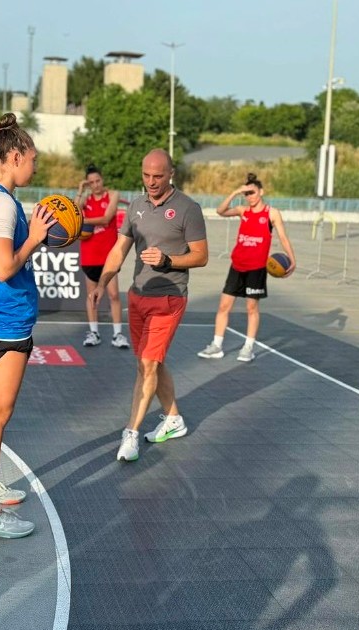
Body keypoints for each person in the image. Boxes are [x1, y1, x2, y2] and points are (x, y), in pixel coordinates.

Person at [0, 112, 56, 538]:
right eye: (33, 159)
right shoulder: (1, 205)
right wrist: (34, 239)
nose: (35, 167)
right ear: (16, 156)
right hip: (4, 321)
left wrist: (34, 237)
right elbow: (4, 268)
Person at [91, 149, 208, 462]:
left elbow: (201, 256)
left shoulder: (188, 208)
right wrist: (102, 283)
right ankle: (174, 418)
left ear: (171, 174)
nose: (152, 181)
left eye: (158, 176)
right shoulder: (136, 206)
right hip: (138, 295)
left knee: (148, 365)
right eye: (146, 175)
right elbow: (119, 249)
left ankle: (130, 433)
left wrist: (168, 260)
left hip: (169, 298)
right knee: (150, 363)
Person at [198, 172, 295, 363]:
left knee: (251, 307)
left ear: (261, 192)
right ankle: (216, 345)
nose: (250, 196)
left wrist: (292, 260)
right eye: (246, 194)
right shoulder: (243, 211)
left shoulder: (271, 213)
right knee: (224, 306)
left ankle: (248, 347)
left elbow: (283, 237)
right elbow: (220, 211)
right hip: (237, 266)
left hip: (256, 268)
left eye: (252, 192)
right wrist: (235, 192)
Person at [75, 164, 129, 349]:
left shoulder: (112, 195)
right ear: (88, 184)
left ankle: (118, 334)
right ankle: (94, 332)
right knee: (92, 296)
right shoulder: (86, 199)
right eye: (91, 182)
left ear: (102, 179)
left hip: (109, 256)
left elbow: (106, 219)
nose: (96, 184)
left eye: (98, 180)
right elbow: (73, 213)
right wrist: (80, 191)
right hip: (90, 255)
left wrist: (84, 221)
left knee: (113, 295)